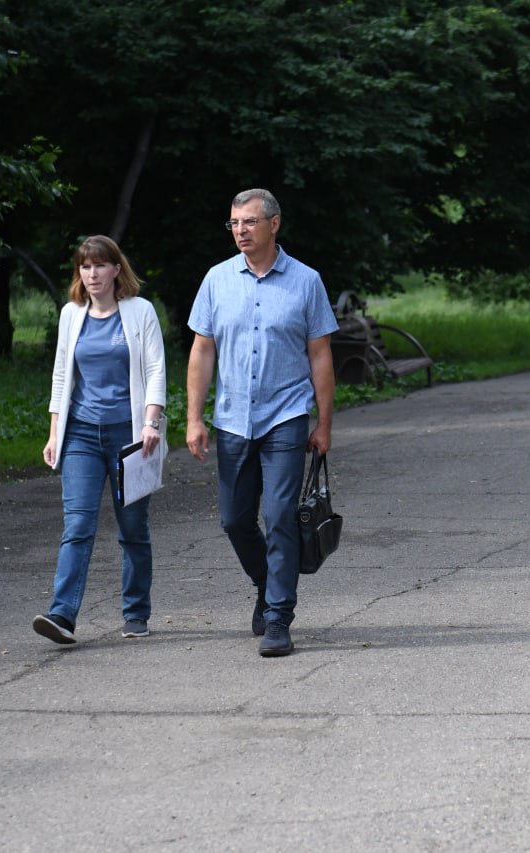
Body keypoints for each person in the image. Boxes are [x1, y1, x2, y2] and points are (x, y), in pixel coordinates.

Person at [186, 188, 338, 657]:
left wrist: (325, 424)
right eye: (233, 223)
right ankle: (266, 583)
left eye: (249, 222)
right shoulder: (215, 280)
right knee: (234, 520)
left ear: (274, 224)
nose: (240, 231)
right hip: (232, 419)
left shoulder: (306, 281)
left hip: (286, 417)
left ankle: (278, 618)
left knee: (278, 516)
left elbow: (320, 355)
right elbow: (202, 350)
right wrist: (194, 417)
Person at [33, 236, 167, 645]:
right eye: (84, 267)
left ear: (115, 270)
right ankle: (63, 616)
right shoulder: (71, 315)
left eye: (99, 266)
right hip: (81, 437)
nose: (91, 274)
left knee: (132, 530)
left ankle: (136, 612)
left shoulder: (139, 312)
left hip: (129, 437)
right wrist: (55, 431)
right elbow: (61, 376)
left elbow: (156, 369)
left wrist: (151, 423)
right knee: (77, 526)